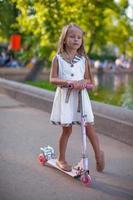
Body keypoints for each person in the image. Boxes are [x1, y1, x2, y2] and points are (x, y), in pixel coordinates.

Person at [49, 24, 105, 172]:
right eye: (72, 36)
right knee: (67, 130)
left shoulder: (83, 60)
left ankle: (99, 156)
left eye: (79, 37)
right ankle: (61, 158)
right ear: (64, 39)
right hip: (66, 99)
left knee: (89, 128)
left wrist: (82, 82)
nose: (76, 40)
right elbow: (53, 79)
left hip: (81, 98)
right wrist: (69, 82)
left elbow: (87, 79)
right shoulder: (58, 59)